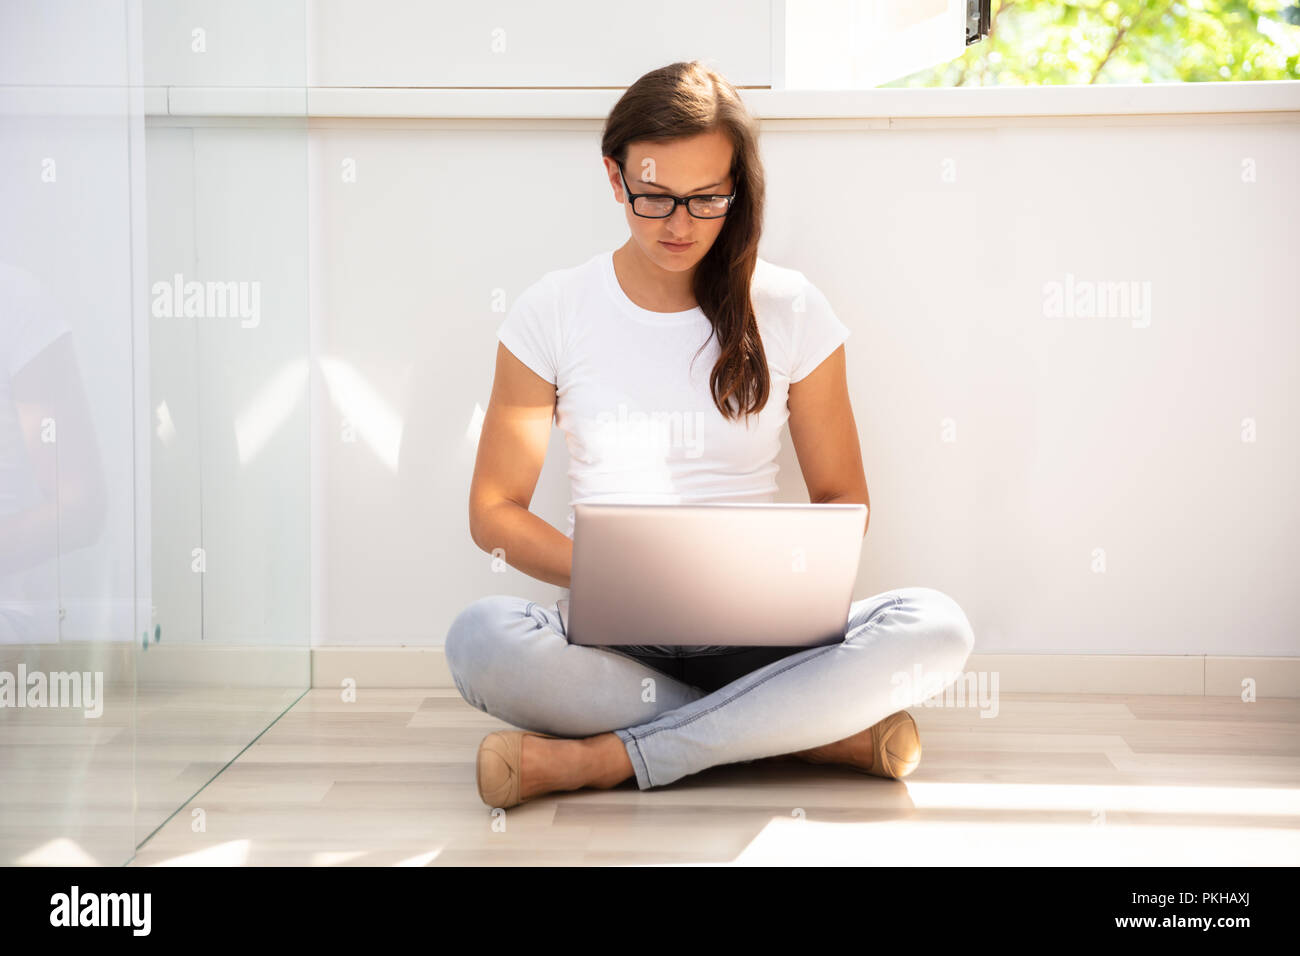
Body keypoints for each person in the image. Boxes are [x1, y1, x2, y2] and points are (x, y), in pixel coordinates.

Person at [445, 60, 975, 809]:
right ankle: (806, 733)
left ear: (738, 187)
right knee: (480, 640)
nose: (682, 225)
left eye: (707, 199)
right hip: (613, 635)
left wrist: (779, 577)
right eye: (655, 197)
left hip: (761, 633)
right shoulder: (552, 310)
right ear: (613, 176)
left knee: (938, 627)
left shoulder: (791, 307)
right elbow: (493, 511)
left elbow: (842, 499)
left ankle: (606, 761)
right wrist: (612, 578)